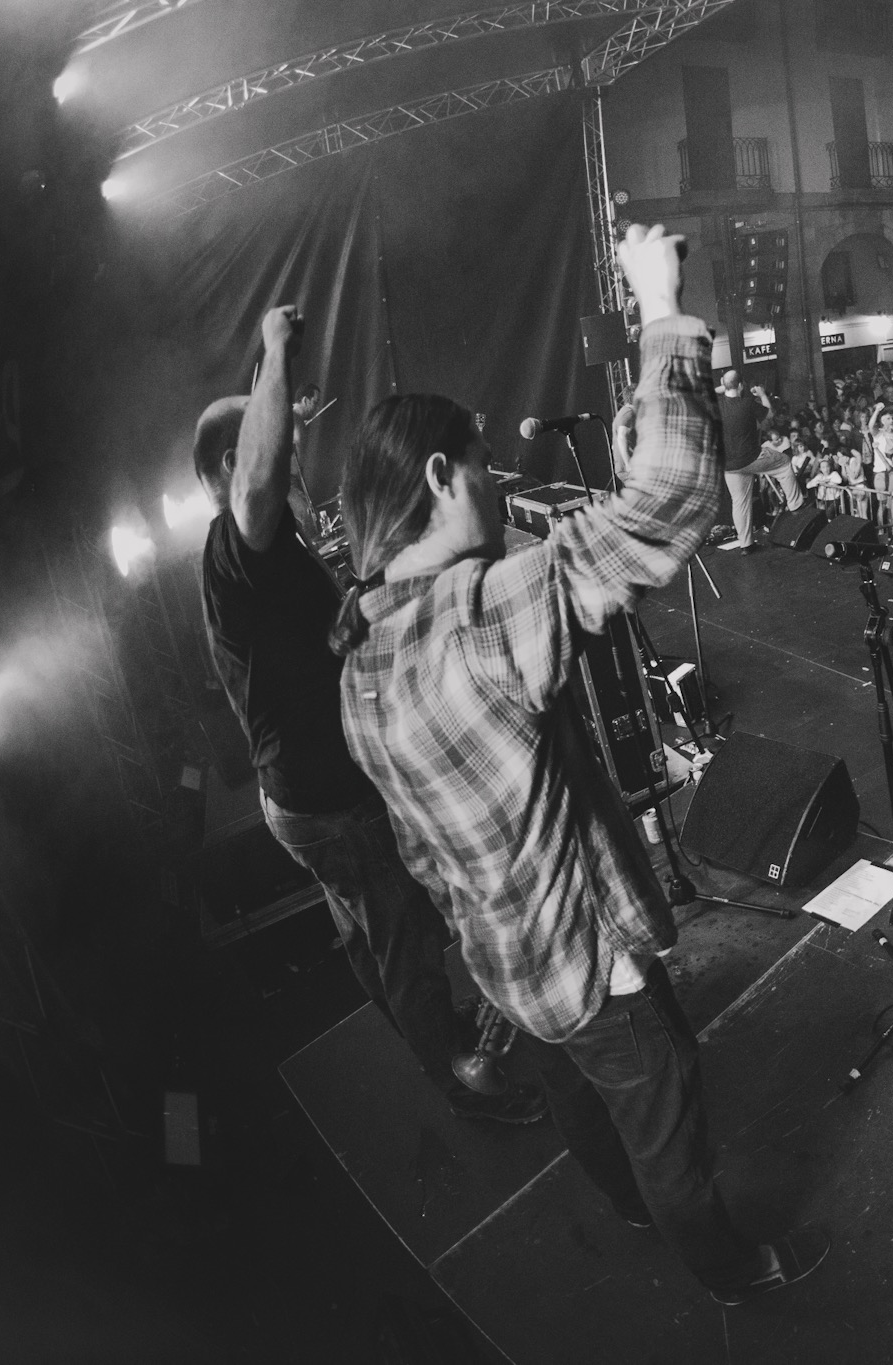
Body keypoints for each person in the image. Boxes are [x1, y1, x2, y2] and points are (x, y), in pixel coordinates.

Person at [329, 223, 827, 1304]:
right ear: (439, 477)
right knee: (663, 1103)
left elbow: (419, 850)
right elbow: (664, 506)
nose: (495, 483)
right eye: (480, 465)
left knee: (575, 1096)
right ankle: (727, 1266)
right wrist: (662, 308)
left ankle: (628, 1208)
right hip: (590, 963)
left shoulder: (358, 657)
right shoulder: (480, 614)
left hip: (505, 958)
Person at [192, 306, 541, 1125]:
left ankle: (431, 1040)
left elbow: (300, 637)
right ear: (233, 464)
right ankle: (465, 1080)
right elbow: (257, 484)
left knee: (367, 935)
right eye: (275, 444)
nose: (291, 455)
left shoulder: (255, 556)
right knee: (403, 936)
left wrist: (348, 614)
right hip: (328, 798)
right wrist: (275, 348)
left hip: (301, 796)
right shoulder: (236, 541)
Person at [715, 370, 802, 549]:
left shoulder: (717, 405)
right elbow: (769, 416)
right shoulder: (747, 403)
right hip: (752, 457)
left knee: (740, 502)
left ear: (724, 386)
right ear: (741, 385)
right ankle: (796, 506)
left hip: (729, 465)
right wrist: (762, 395)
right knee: (784, 462)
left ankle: (746, 545)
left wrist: (726, 386)